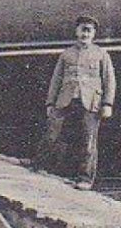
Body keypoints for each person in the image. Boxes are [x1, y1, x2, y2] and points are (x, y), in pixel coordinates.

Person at [42, 15, 117, 189]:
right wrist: (50, 103)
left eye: (89, 30)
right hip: (65, 99)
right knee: (53, 133)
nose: (85, 33)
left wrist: (107, 104)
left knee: (88, 140)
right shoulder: (67, 54)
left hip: (91, 102)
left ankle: (85, 178)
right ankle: (42, 166)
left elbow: (109, 80)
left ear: (94, 34)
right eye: (82, 29)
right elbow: (56, 80)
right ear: (76, 31)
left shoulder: (101, 54)